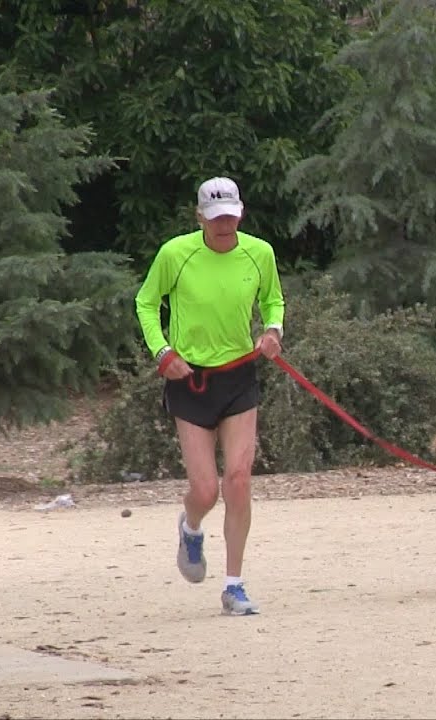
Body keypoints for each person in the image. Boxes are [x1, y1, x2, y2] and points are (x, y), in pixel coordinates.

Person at [134, 176, 285, 616]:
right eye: (215, 218)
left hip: (239, 376)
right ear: (199, 216)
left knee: (238, 479)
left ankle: (234, 585)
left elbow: (273, 300)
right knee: (205, 490)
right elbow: (146, 303)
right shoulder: (175, 254)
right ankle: (192, 526)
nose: (224, 225)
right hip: (190, 380)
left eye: (231, 216)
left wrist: (273, 330)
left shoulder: (259, 253)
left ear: (241, 213)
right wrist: (162, 352)